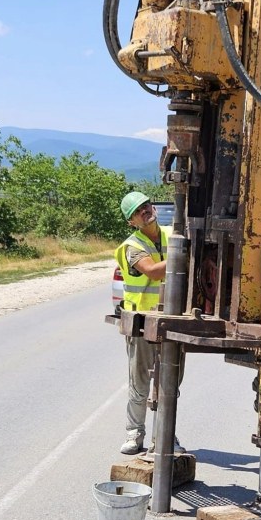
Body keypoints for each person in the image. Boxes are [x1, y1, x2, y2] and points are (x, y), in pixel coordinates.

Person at [115, 191, 185, 456]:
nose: (144, 211)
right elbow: (154, 272)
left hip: (173, 319)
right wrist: (187, 254)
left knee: (170, 384)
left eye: (146, 206)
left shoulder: (171, 234)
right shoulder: (132, 245)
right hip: (142, 321)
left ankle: (165, 436)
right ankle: (135, 433)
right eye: (137, 211)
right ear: (131, 221)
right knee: (140, 381)